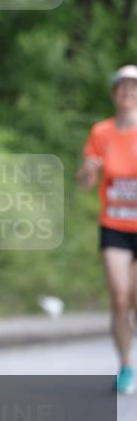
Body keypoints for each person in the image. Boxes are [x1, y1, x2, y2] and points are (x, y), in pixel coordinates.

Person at [78, 64, 137, 395]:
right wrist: (89, 171)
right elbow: (85, 183)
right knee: (119, 295)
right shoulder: (101, 133)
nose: (128, 94)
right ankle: (126, 366)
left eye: (134, 88)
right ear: (115, 94)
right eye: (123, 88)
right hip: (114, 224)